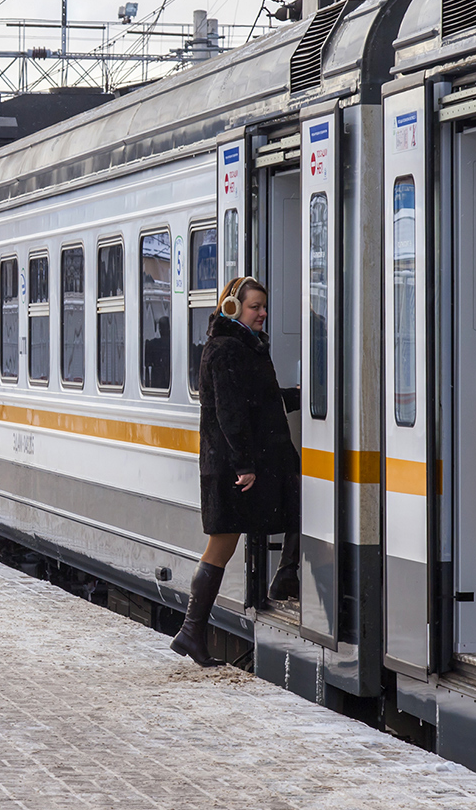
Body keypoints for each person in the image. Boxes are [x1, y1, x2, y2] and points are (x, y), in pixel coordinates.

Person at [172, 276, 301, 667]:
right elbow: (230, 411)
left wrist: (305, 395)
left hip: (246, 462)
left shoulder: (240, 346)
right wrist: (244, 465)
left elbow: (258, 398)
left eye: (264, 306)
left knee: (294, 505)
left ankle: (195, 630)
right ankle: (191, 631)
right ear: (232, 307)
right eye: (254, 307)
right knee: (221, 545)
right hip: (235, 467)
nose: (262, 313)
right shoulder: (228, 349)